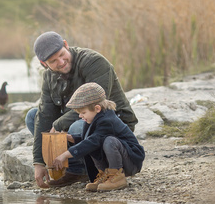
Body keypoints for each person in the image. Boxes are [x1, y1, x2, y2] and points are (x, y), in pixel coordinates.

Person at [25, 31, 138, 188]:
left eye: (62, 54)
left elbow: (95, 104)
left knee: (76, 125)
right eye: (53, 61)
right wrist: (38, 162)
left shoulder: (94, 62)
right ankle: (77, 169)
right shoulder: (48, 77)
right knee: (33, 117)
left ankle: (81, 170)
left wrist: (58, 124)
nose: (61, 62)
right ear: (44, 64)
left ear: (66, 45)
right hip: (83, 121)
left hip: (112, 124)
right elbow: (45, 115)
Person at [52, 82, 145, 192]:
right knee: (92, 143)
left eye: (83, 112)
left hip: (131, 161)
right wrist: (70, 138)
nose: (80, 116)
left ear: (97, 108)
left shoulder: (107, 121)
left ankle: (117, 177)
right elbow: (90, 139)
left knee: (108, 141)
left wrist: (65, 155)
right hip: (120, 158)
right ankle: (105, 175)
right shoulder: (92, 118)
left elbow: (94, 140)